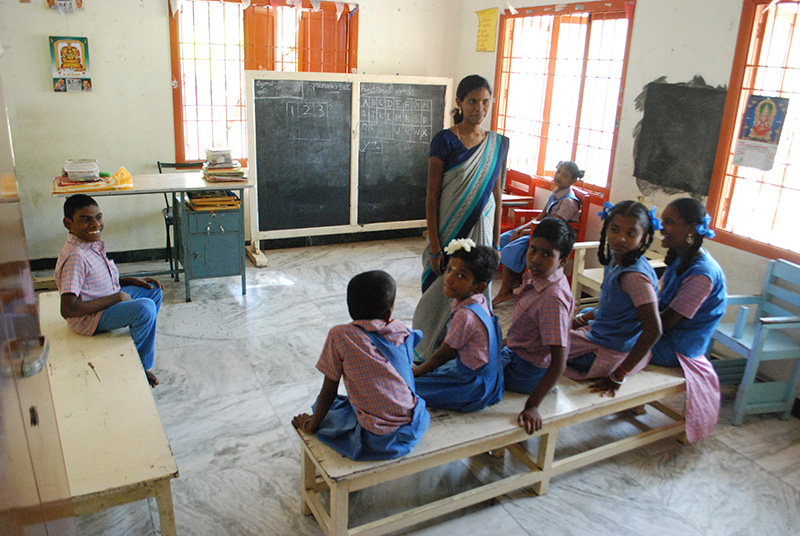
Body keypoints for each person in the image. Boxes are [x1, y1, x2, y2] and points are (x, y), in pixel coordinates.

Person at [412, 74, 510, 361]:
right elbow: (432, 196)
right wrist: (434, 245)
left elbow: (497, 194)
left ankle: (470, 349)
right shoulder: (444, 140)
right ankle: (427, 349)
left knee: (477, 287)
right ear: (459, 102)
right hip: (448, 228)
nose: (479, 108)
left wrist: (496, 244)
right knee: (442, 288)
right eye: (472, 101)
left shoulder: (498, 144)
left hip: (482, 226)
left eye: (485, 102)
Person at [291, 270, 430, 461]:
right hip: (414, 424)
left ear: (350, 307)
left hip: (380, 439)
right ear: (389, 312)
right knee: (349, 404)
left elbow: (328, 392)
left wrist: (311, 426)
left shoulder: (340, 336)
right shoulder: (400, 331)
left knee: (329, 411)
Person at [54, 194, 164, 387]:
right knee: (145, 308)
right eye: (85, 219)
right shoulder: (76, 256)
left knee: (153, 290)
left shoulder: (89, 245)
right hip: (90, 317)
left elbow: (96, 281)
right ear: (68, 223)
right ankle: (137, 365)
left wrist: (130, 281)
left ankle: (139, 348)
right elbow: (69, 309)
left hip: (104, 300)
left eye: (98, 217)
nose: (95, 224)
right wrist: (117, 298)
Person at [566, 200, 663, 396]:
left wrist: (619, 374)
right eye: (615, 230)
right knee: (579, 315)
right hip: (610, 336)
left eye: (631, 233)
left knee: (543, 343)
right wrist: (579, 321)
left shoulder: (634, 277)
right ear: (606, 229)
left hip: (612, 352)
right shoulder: (617, 258)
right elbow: (614, 308)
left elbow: (653, 330)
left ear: (643, 237)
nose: (620, 239)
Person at [651, 198, 725, 442]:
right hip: (666, 334)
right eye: (663, 221)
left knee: (612, 343)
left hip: (679, 346)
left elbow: (666, 322)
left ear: (692, 229)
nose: (662, 228)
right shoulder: (683, 258)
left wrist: (626, 323)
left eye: (670, 222)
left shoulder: (702, 273)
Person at [501, 218, 576, 434]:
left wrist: (532, 406)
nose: (535, 259)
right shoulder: (539, 278)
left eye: (546, 254)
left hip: (528, 373)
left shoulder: (553, 298)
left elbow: (559, 362)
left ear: (562, 260)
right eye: (533, 249)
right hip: (518, 357)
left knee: (469, 376)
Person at [413, 240, 503, 412]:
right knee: (432, 375)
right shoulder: (480, 301)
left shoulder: (465, 315)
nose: (449, 279)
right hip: (490, 380)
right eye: (449, 270)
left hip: (473, 388)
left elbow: (442, 356)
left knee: (409, 387)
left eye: (461, 275)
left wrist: (415, 373)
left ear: (479, 286)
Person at [493, 160, 584, 306]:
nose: (559, 176)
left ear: (573, 180)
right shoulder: (556, 193)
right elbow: (541, 217)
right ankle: (514, 278)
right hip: (538, 229)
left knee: (510, 250)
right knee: (502, 240)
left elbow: (552, 228)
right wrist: (520, 229)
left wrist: (526, 233)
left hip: (549, 237)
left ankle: (505, 291)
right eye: (558, 171)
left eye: (565, 175)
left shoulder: (568, 202)